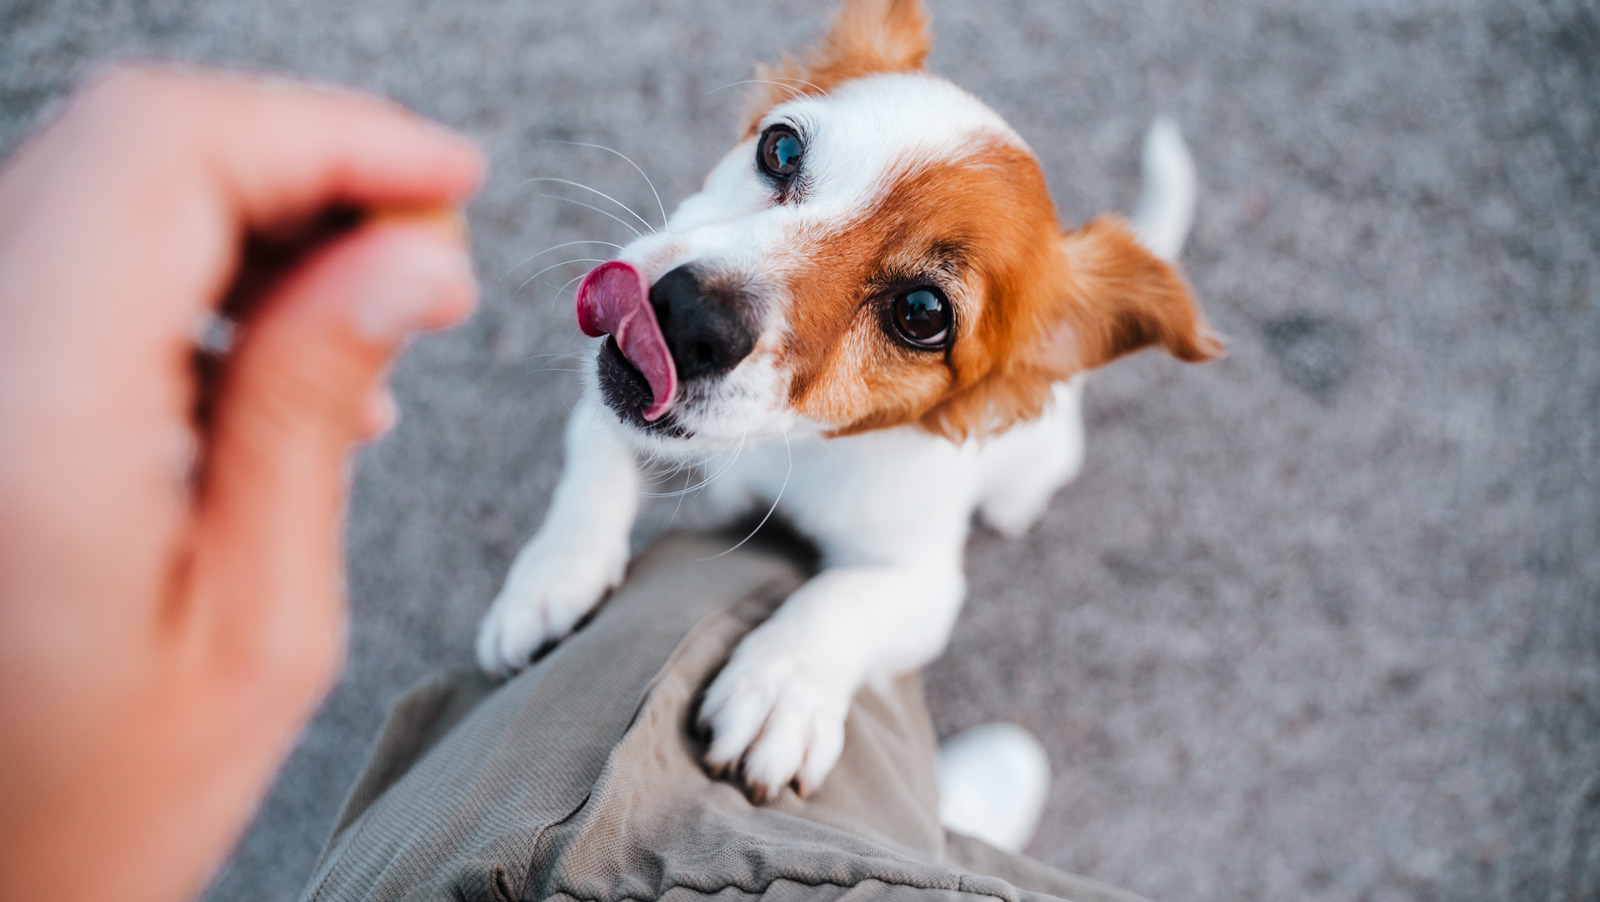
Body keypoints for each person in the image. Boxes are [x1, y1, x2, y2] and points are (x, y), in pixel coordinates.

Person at [0, 66, 1148, 902]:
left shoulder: (963, 427)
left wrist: (821, 645)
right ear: (760, 120)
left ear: (998, 371)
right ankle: (899, 839)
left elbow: (914, 582)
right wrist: (579, 527)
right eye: (785, 158)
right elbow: (611, 429)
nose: (717, 297)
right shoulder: (715, 316)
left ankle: (889, 823)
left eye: (914, 311)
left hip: (938, 468)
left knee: (1015, 484)